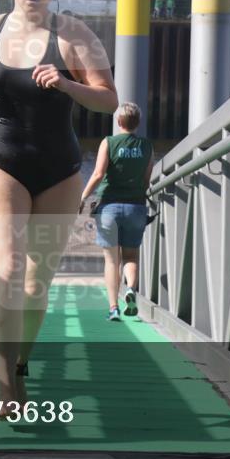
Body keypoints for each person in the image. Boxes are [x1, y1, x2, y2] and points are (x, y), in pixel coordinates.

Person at [0, 0, 118, 415]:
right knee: (6, 268)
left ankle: (21, 363)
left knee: (35, 284)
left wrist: (67, 82)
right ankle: (9, 390)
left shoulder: (76, 36)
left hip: (56, 169)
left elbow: (109, 99)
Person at [79, 103, 155, 321]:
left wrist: (83, 197)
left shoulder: (109, 142)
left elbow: (97, 174)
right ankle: (130, 289)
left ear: (119, 122)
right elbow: (146, 179)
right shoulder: (147, 146)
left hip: (109, 208)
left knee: (111, 261)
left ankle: (113, 308)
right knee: (130, 257)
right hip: (135, 208)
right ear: (137, 123)